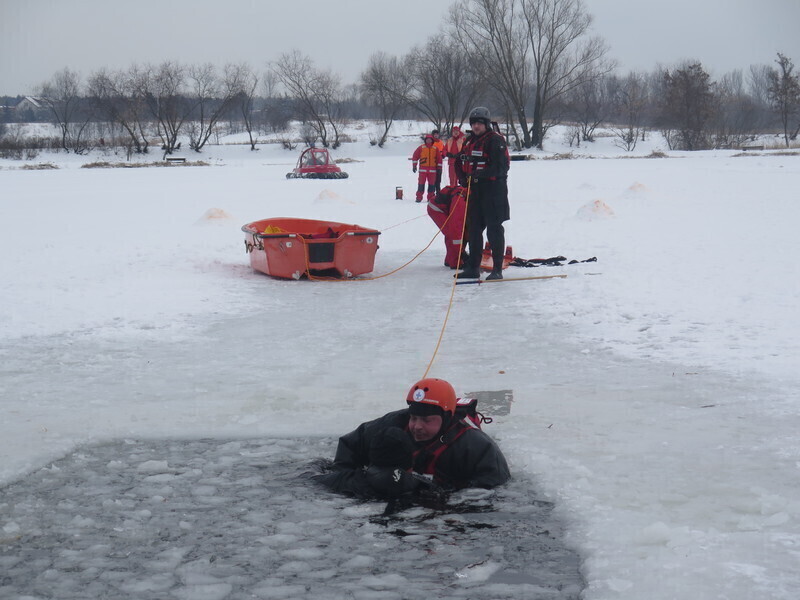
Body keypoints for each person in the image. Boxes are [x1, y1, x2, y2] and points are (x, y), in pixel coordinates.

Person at [315, 378, 510, 500]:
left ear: (447, 418)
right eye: (414, 417)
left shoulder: (476, 445)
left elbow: (494, 485)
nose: (417, 426)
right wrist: (349, 480)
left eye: (426, 420)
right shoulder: (393, 423)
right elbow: (351, 445)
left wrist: (445, 496)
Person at [455, 107, 510, 281]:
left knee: (494, 230)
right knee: (474, 230)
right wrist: (462, 177)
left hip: (494, 191)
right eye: (474, 123)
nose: (477, 126)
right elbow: (459, 161)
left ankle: (497, 269)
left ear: (486, 124)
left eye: (480, 123)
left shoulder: (495, 141)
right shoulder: (469, 141)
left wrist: (479, 174)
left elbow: (501, 167)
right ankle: (473, 266)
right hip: (476, 191)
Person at [411, 134, 443, 203]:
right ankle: (419, 197)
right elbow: (415, 156)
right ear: (425, 140)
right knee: (421, 184)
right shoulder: (421, 148)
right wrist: (414, 165)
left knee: (432, 185)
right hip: (423, 170)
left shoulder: (435, 149)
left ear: (432, 140)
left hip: (432, 171)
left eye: (430, 139)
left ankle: (430, 198)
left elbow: (439, 159)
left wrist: (439, 168)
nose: (428, 140)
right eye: (427, 139)